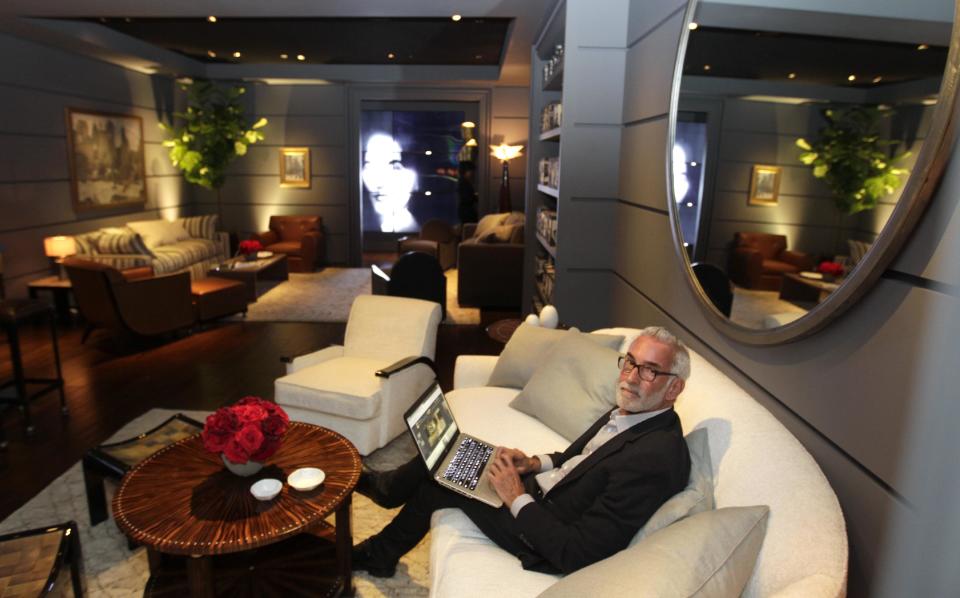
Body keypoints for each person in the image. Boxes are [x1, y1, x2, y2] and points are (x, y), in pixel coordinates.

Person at [353, 326, 692, 577]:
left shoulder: (655, 459)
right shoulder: (632, 410)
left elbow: (576, 552)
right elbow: (576, 460)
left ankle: (381, 522)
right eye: (629, 362)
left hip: (544, 533)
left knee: (441, 480)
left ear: (673, 386)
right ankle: (384, 511)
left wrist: (516, 497)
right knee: (458, 454)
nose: (631, 377)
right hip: (542, 493)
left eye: (648, 370)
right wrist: (534, 462)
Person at [457, 160, 478, 224]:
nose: (472, 173)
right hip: (467, 211)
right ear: (467, 171)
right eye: (471, 171)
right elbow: (467, 198)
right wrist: (475, 197)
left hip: (464, 210)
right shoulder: (464, 183)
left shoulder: (462, 182)